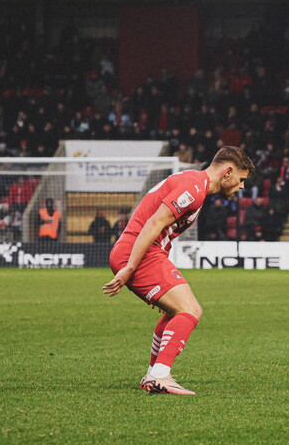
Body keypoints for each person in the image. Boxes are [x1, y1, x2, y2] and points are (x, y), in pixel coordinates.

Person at [103, 146, 254, 395]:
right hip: (140, 253)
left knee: (176, 311)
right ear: (228, 172)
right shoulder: (194, 188)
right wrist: (130, 267)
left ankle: (153, 374)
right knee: (190, 310)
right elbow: (154, 223)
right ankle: (160, 375)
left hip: (143, 253)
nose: (241, 187)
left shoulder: (193, 183)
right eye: (241, 179)